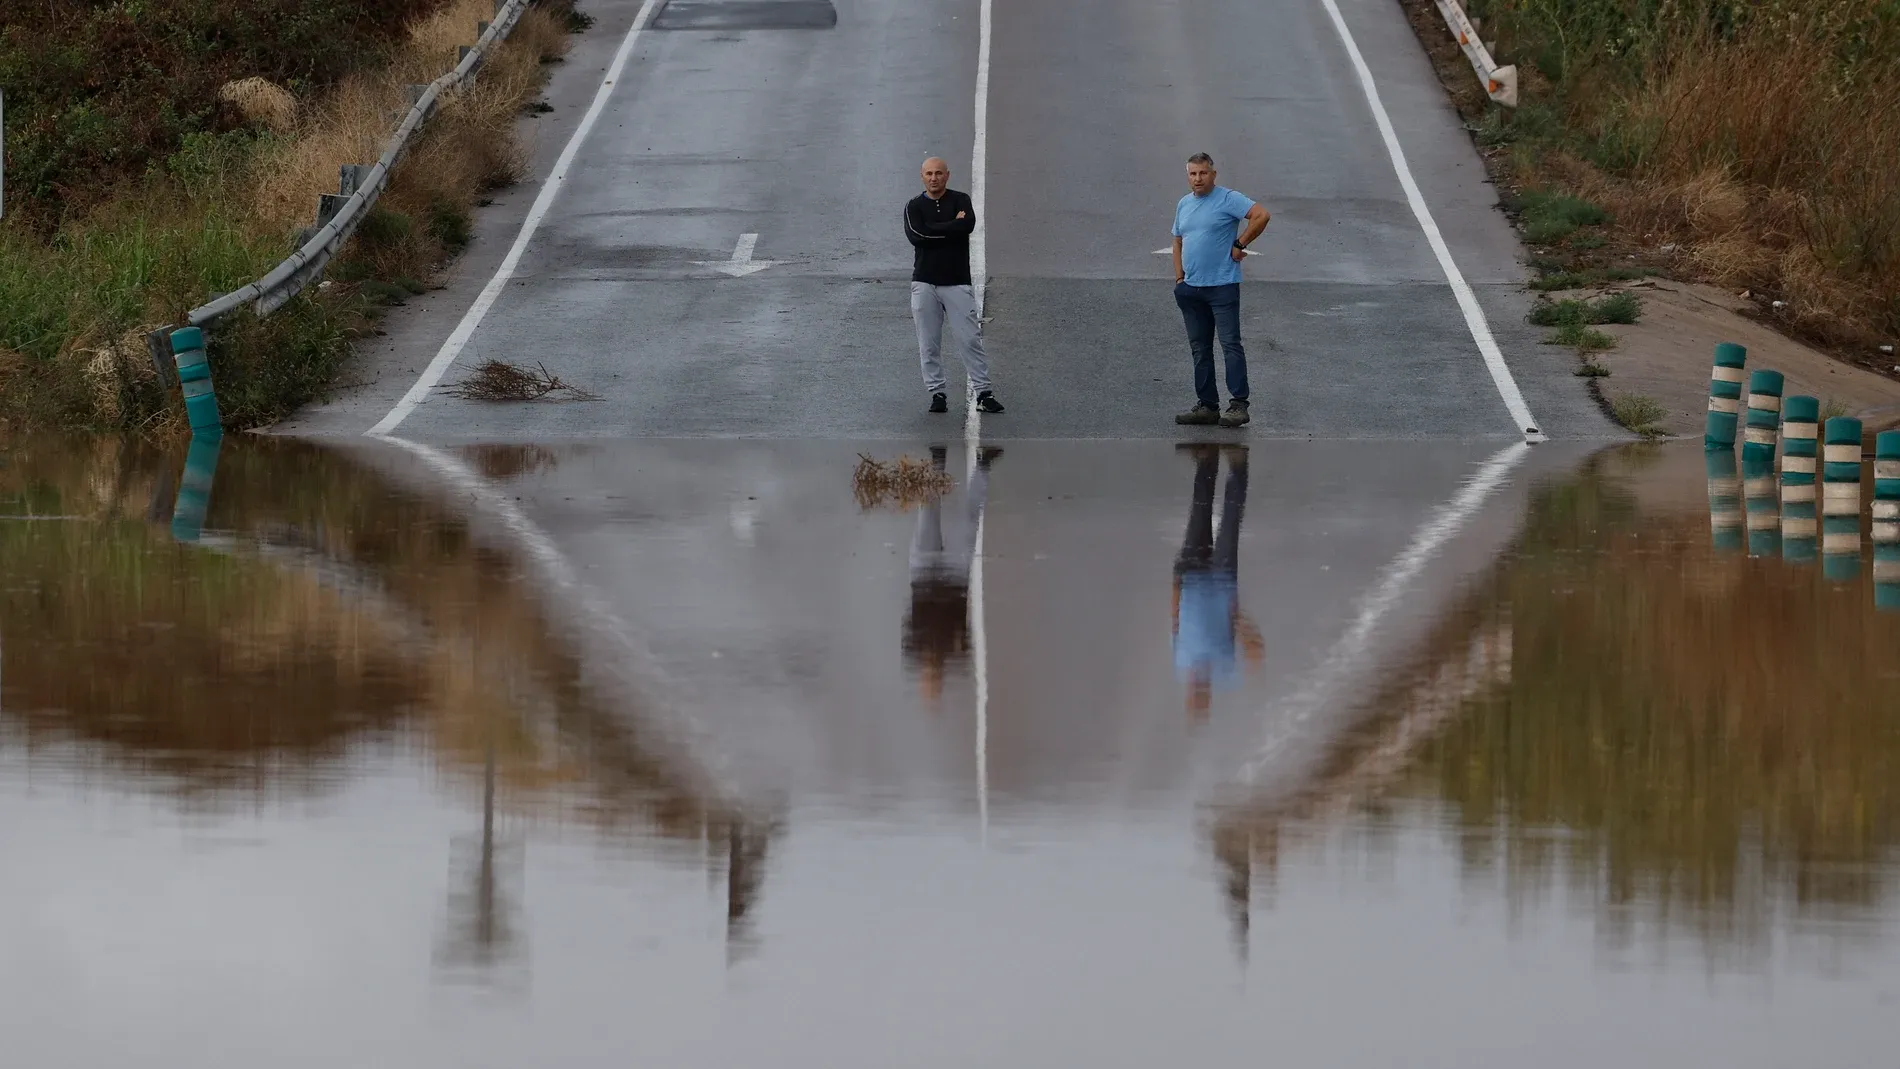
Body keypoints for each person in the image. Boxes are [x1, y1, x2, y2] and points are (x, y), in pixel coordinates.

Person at [1171, 153, 1270, 428]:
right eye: (1192, 174)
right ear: (1187, 175)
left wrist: (1240, 244)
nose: (1198, 179)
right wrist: (1180, 279)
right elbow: (1178, 241)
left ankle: (1238, 405)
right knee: (1199, 348)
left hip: (1222, 286)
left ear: (1213, 174)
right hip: (1191, 289)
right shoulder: (1184, 204)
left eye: (1203, 173)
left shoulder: (1228, 199)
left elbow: (1261, 215)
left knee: (1230, 345)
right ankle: (1207, 406)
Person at [904, 157, 1005, 415]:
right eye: (929, 173)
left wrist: (937, 229)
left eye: (939, 173)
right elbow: (918, 235)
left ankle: (983, 392)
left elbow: (967, 226)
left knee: (970, 339)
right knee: (928, 342)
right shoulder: (913, 206)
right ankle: (937, 393)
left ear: (947, 175)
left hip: (957, 282)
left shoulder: (961, 200)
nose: (934, 178)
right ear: (922, 176)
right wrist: (952, 227)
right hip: (924, 283)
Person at [1172, 443, 1265, 720]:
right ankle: (1238, 465)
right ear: (1210, 697)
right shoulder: (1226, 672)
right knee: (1230, 517)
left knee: (1199, 510)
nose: (1198, 693)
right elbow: (1256, 652)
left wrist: (1176, 584)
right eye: (1202, 699)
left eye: (1194, 698)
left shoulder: (1180, 665)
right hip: (1222, 580)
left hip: (1190, 576)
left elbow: (1174, 624)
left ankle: (1206, 460)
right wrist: (1239, 619)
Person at [904, 444, 1001, 703]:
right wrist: (956, 642)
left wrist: (928, 647)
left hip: (923, 576)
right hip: (955, 580)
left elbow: (908, 621)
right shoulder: (957, 655)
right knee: (969, 521)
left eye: (928, 679)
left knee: (928, 511)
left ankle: (937, 462)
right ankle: (983, 466)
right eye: (935, 680)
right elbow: (968, 635)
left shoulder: (913, 652)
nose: (932, 673)